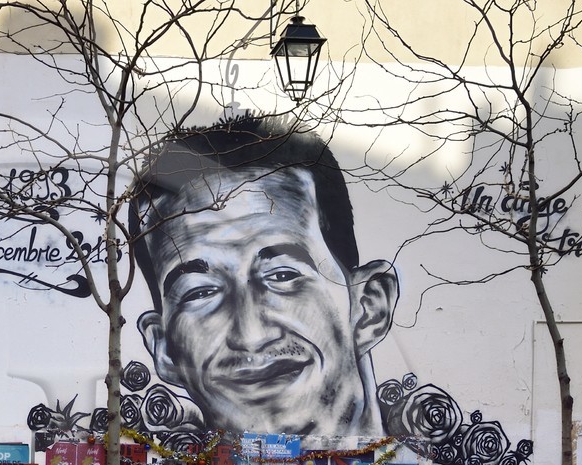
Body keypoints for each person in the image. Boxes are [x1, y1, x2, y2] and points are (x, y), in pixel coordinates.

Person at [128, 114, 399, 439]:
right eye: (199, 293)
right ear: (164, 349)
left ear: (370, 307)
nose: (250, 335)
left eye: (282, 275)